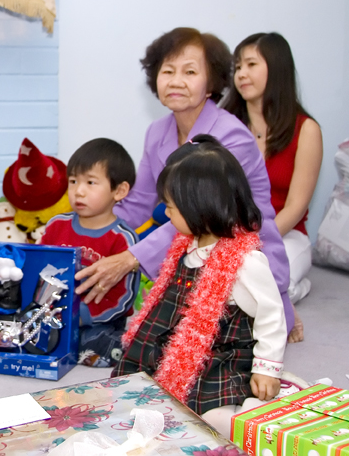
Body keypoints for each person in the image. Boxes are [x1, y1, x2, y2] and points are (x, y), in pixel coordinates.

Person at [74, 27, 295, 337]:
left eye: (190, 71)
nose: (176, 81)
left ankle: (283, 304)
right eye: (167, 71)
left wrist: (130, 258)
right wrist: (83, 231)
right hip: (188, 251)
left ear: (211, 84)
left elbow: (199, 217)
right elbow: (137, 204)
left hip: (242, 256)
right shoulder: (156, 133)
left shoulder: (231, 137)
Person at [112, 135, 287, 439]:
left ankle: (247, 415)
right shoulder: (186, 245)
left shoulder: (245, 260)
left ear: (199, 207)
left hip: (219, 357)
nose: (165, 214)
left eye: (170, 207)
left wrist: (267, 368)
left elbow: (272, 316)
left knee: (209, 418)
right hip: (170, 345)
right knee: (132, 393)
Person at [222, 32, 323, 343]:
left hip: (285, 234)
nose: (241, 74)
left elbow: (295, 206)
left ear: (277, 68)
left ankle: (296, 290)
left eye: (251, 64)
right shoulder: (224, 125)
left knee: (267, 280)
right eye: (237, 67)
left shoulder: (306, 129)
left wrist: (256, 241)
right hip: (231, 233)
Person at [40, 138, 140, 367]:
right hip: (53, 310)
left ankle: (113, 346)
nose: (79, 191)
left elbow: (123, 299)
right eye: (73, 181)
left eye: (91, 182)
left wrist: (81, 316)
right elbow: (39, 267)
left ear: (119, 190)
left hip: (98, 319)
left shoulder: (123, 238)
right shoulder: (56, 225)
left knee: (95, 345)